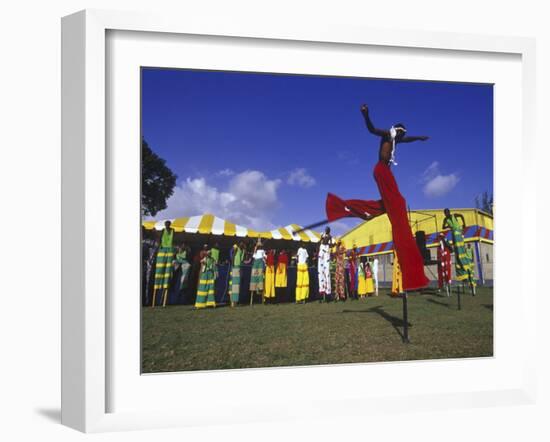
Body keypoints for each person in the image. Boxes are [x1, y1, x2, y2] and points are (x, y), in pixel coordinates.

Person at [325, 104, 429, 292]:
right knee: (398, 202)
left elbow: (408, 139)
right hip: (381, 170)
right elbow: (371, 129)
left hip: (384, 172)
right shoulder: (387, 135)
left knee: (388, 205)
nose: (402, 138)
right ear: (396, 129)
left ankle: (353, 208)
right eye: (401, 134)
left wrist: (419, 138)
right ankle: (361, 210)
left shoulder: (397, 140)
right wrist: (366, 115)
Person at [443, 208, 476, 295]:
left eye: (447, 213)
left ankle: (463, 258)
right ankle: (459, 256)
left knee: (459, 246)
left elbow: (461, 215)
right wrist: (448, 226)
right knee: (456, 247)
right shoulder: (445, 219)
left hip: (458, 231)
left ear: (449, 212)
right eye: (445, 213)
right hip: (454, 233)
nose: (446, 214)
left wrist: (464, 223)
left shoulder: (454, 215)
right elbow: (443, 227)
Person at [152, 220, 176, 307]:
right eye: (166, 224)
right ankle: (156, 299)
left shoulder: (173, 230)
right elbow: (159, 239)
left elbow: (173, 240)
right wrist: (159, 248)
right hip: (162, 251)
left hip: (169, 251)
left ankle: (163, 300)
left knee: (167, 273)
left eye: (168, 224)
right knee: (159, 271)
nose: (167, 225)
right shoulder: (163, 231)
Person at [317, 226, 334, 301]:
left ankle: (327, 293)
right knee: (320, 271)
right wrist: (321, 239)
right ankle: (322, 291)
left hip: (326, 250)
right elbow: (319, 241)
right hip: (322, 250)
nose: (326, 230)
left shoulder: (330, 236)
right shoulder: (323, 235)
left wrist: (330, 247)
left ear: (329, 231)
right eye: (326, 229)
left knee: (326, 272)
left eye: (327, 230)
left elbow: (330, 244)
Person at [249, 239, 266, 305]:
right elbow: (254, 256)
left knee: (260, 277)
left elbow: (264, 257)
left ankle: (259, 289)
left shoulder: (262, 251)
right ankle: (255, 288)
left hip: (260, 263)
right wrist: (255, 249)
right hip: (256, 263)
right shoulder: (256, 251)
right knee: (255, 277)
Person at [229, 242, 245, 307]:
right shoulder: (236, 247)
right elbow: (231, 254)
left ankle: (234, 302)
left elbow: (242, 259)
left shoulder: (242, 250)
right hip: (235, 267)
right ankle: (232, 302)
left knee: (235, 285)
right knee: (233, 285)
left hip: (237, 267)